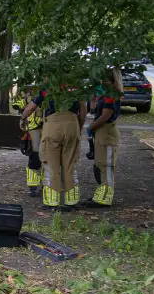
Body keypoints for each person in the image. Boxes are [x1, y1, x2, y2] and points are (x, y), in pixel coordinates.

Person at [21, 85, 87, 209]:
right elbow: (83, 111)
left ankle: (52, 202)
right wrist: (79, 127)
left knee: (51, 165)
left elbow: (31, 108)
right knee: (69, 165)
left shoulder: (48, 88)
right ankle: (72, 201)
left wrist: (23, 118)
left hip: (53, 126)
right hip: (72, 126)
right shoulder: (77, 88)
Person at [86, 69, 124, 208]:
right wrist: (94, 98)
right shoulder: (106, 94)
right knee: (100, 164)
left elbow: (105, 116)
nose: (101, 83)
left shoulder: (111, 95)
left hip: (107, 132)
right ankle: (102, 194)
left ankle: (105, 198)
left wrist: (91, 127)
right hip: (102, 132)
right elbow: (94, 110)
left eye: (103, 80)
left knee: (106, 166)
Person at [18, 86, 44, 197]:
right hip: (38, 129)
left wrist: (23, 119)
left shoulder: (41, 92)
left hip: (38, 129)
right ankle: (36, 187)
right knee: (38, 157)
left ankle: (35, 187)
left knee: (37, 157)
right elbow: (20, 105)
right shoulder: (34, 94)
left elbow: (27, 108)